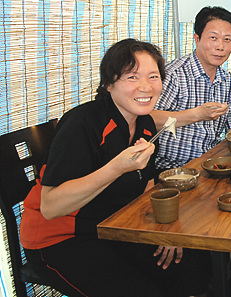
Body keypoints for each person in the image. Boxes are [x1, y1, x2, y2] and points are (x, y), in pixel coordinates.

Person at [20, 39, 211, 297]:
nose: (146, 86)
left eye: (153, 76)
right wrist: (117, 167)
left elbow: (147, 187)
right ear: (109, 83)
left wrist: (166, 230)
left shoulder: (143, 122)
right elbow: (51, 206)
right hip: (61, 239)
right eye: (132, 77)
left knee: (193, 265)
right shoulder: (83, 123)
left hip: (114, 225)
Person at [152, 6, 231, 170]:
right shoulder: (174, 74)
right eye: (213, 38)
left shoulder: (226, 80)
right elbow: (150, 119)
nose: (220, 47)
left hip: (212, 166)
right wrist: (197, 114)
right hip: (172, 171)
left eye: (227, 40)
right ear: (197, 39)